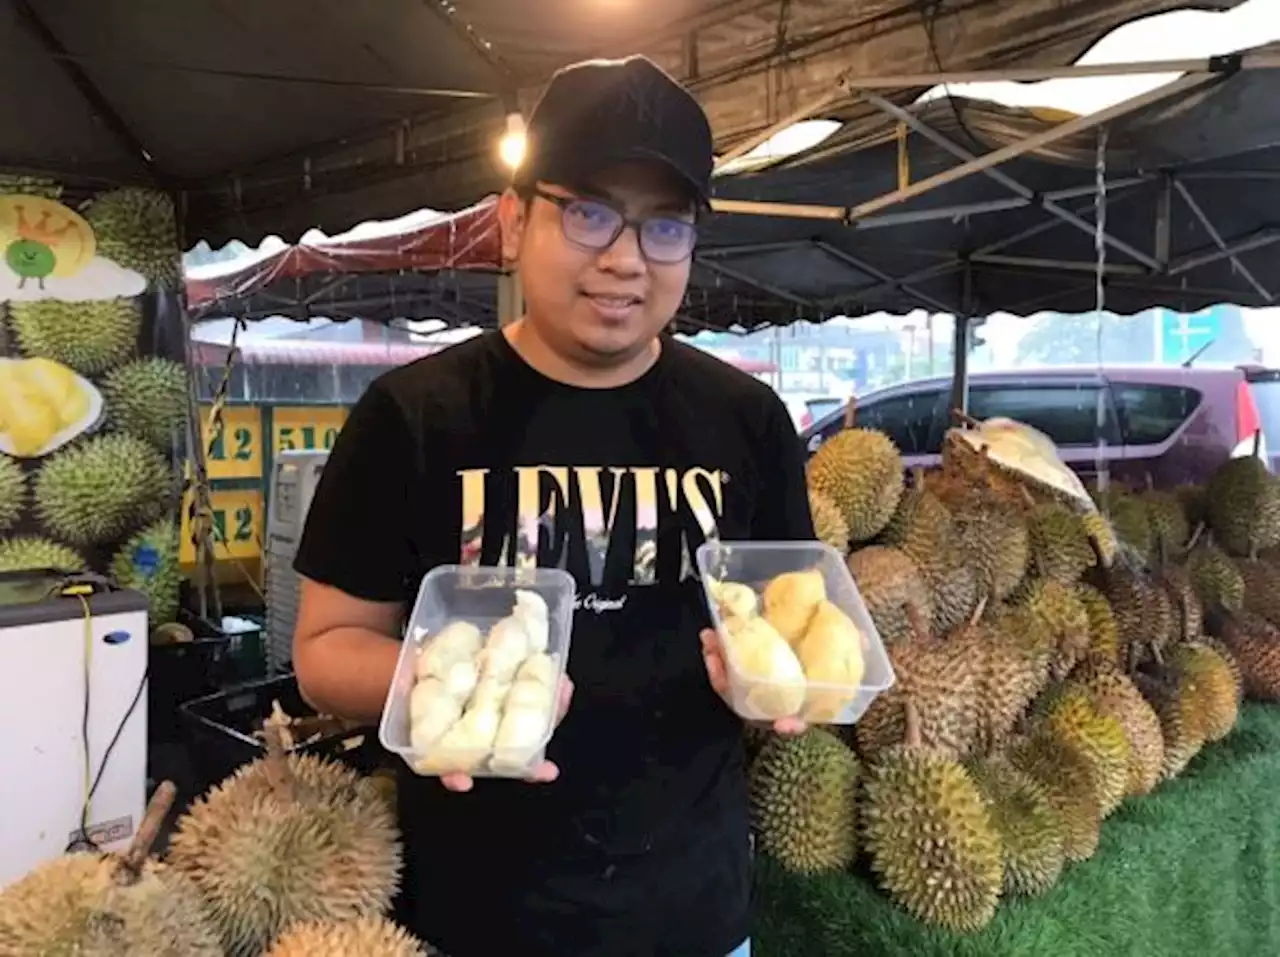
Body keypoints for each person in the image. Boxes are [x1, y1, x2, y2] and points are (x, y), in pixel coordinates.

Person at [291, 53, 816, 957]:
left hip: (691, 915)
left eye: (665, 227)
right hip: (475, 918)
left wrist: (776, 677)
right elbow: (323, 648)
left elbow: (795, 619)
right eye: (588, 212)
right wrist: (442, 686)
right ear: (512, 220)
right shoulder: (414, 417)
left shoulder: (748, 422)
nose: (624, 259)